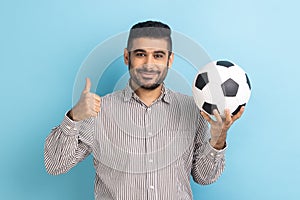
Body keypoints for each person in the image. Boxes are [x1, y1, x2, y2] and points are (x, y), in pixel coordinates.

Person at [44, 20, 244, 200]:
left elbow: (204, 178)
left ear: (170, 60)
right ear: (126, 57)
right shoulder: (98, 111)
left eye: (158, 55)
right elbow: (55, 165)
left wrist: (218, 140)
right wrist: (74, 118)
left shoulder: (193, 110)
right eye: (141, 54)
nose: (149, 64)